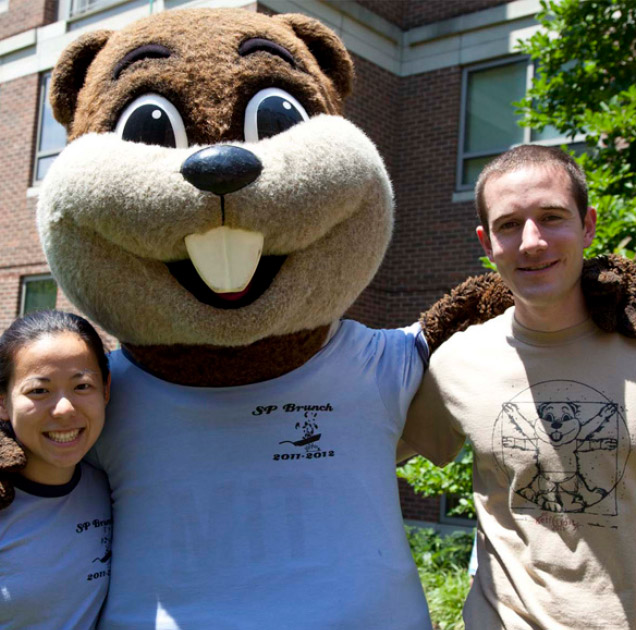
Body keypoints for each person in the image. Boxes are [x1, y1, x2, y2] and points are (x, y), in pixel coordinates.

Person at [401, 144, 636, 629]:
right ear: (487, 243)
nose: (531, 242)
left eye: (552, 217)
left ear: (587, 225)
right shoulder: (457, 362)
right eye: (509, 225)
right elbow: (361, 456)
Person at [0, 310, 112, 630]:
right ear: (3, 403)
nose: (64, 409)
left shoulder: (114, 488)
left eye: (82, 386)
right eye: (39, 390)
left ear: (106, 390)